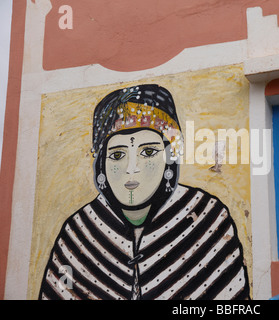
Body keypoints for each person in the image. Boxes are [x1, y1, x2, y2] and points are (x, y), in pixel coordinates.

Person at [39, 84, 250, 300]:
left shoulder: (206, 217)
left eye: (148, 152)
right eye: (117, 155)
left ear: (169, 158)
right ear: (101, 164)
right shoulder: (79, 231)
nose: (132, 168)